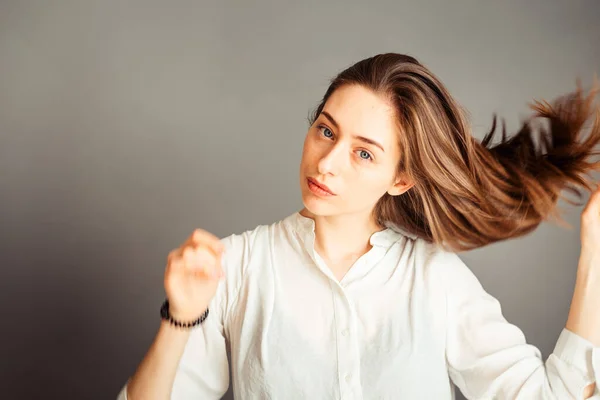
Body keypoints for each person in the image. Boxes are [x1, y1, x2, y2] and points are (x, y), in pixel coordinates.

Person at [118, 53, 600, 399]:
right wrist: (180, 318)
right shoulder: (237, 267)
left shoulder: (433, 278)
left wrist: (594, 257)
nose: (326, 162)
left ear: (401, 178)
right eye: (326, 130)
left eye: (363, 152)